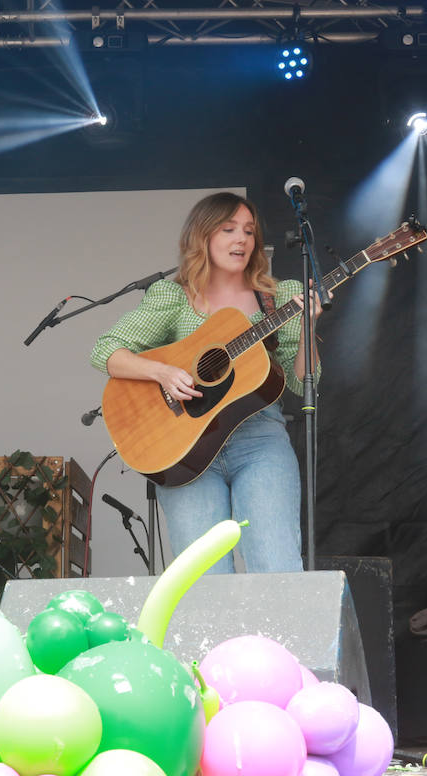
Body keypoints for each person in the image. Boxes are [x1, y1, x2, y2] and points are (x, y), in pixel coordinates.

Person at [91, 191, 322, 574]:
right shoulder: (175, 297)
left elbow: (301, 384)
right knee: (204, 579)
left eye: (249, 231)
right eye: (229, 229)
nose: (242, 239)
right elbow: (107, 351)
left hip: (260, 441)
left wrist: (310, 329)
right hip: (185, 447)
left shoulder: (281, 297)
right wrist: (163, 372)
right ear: (202, 237)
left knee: (278, 567)